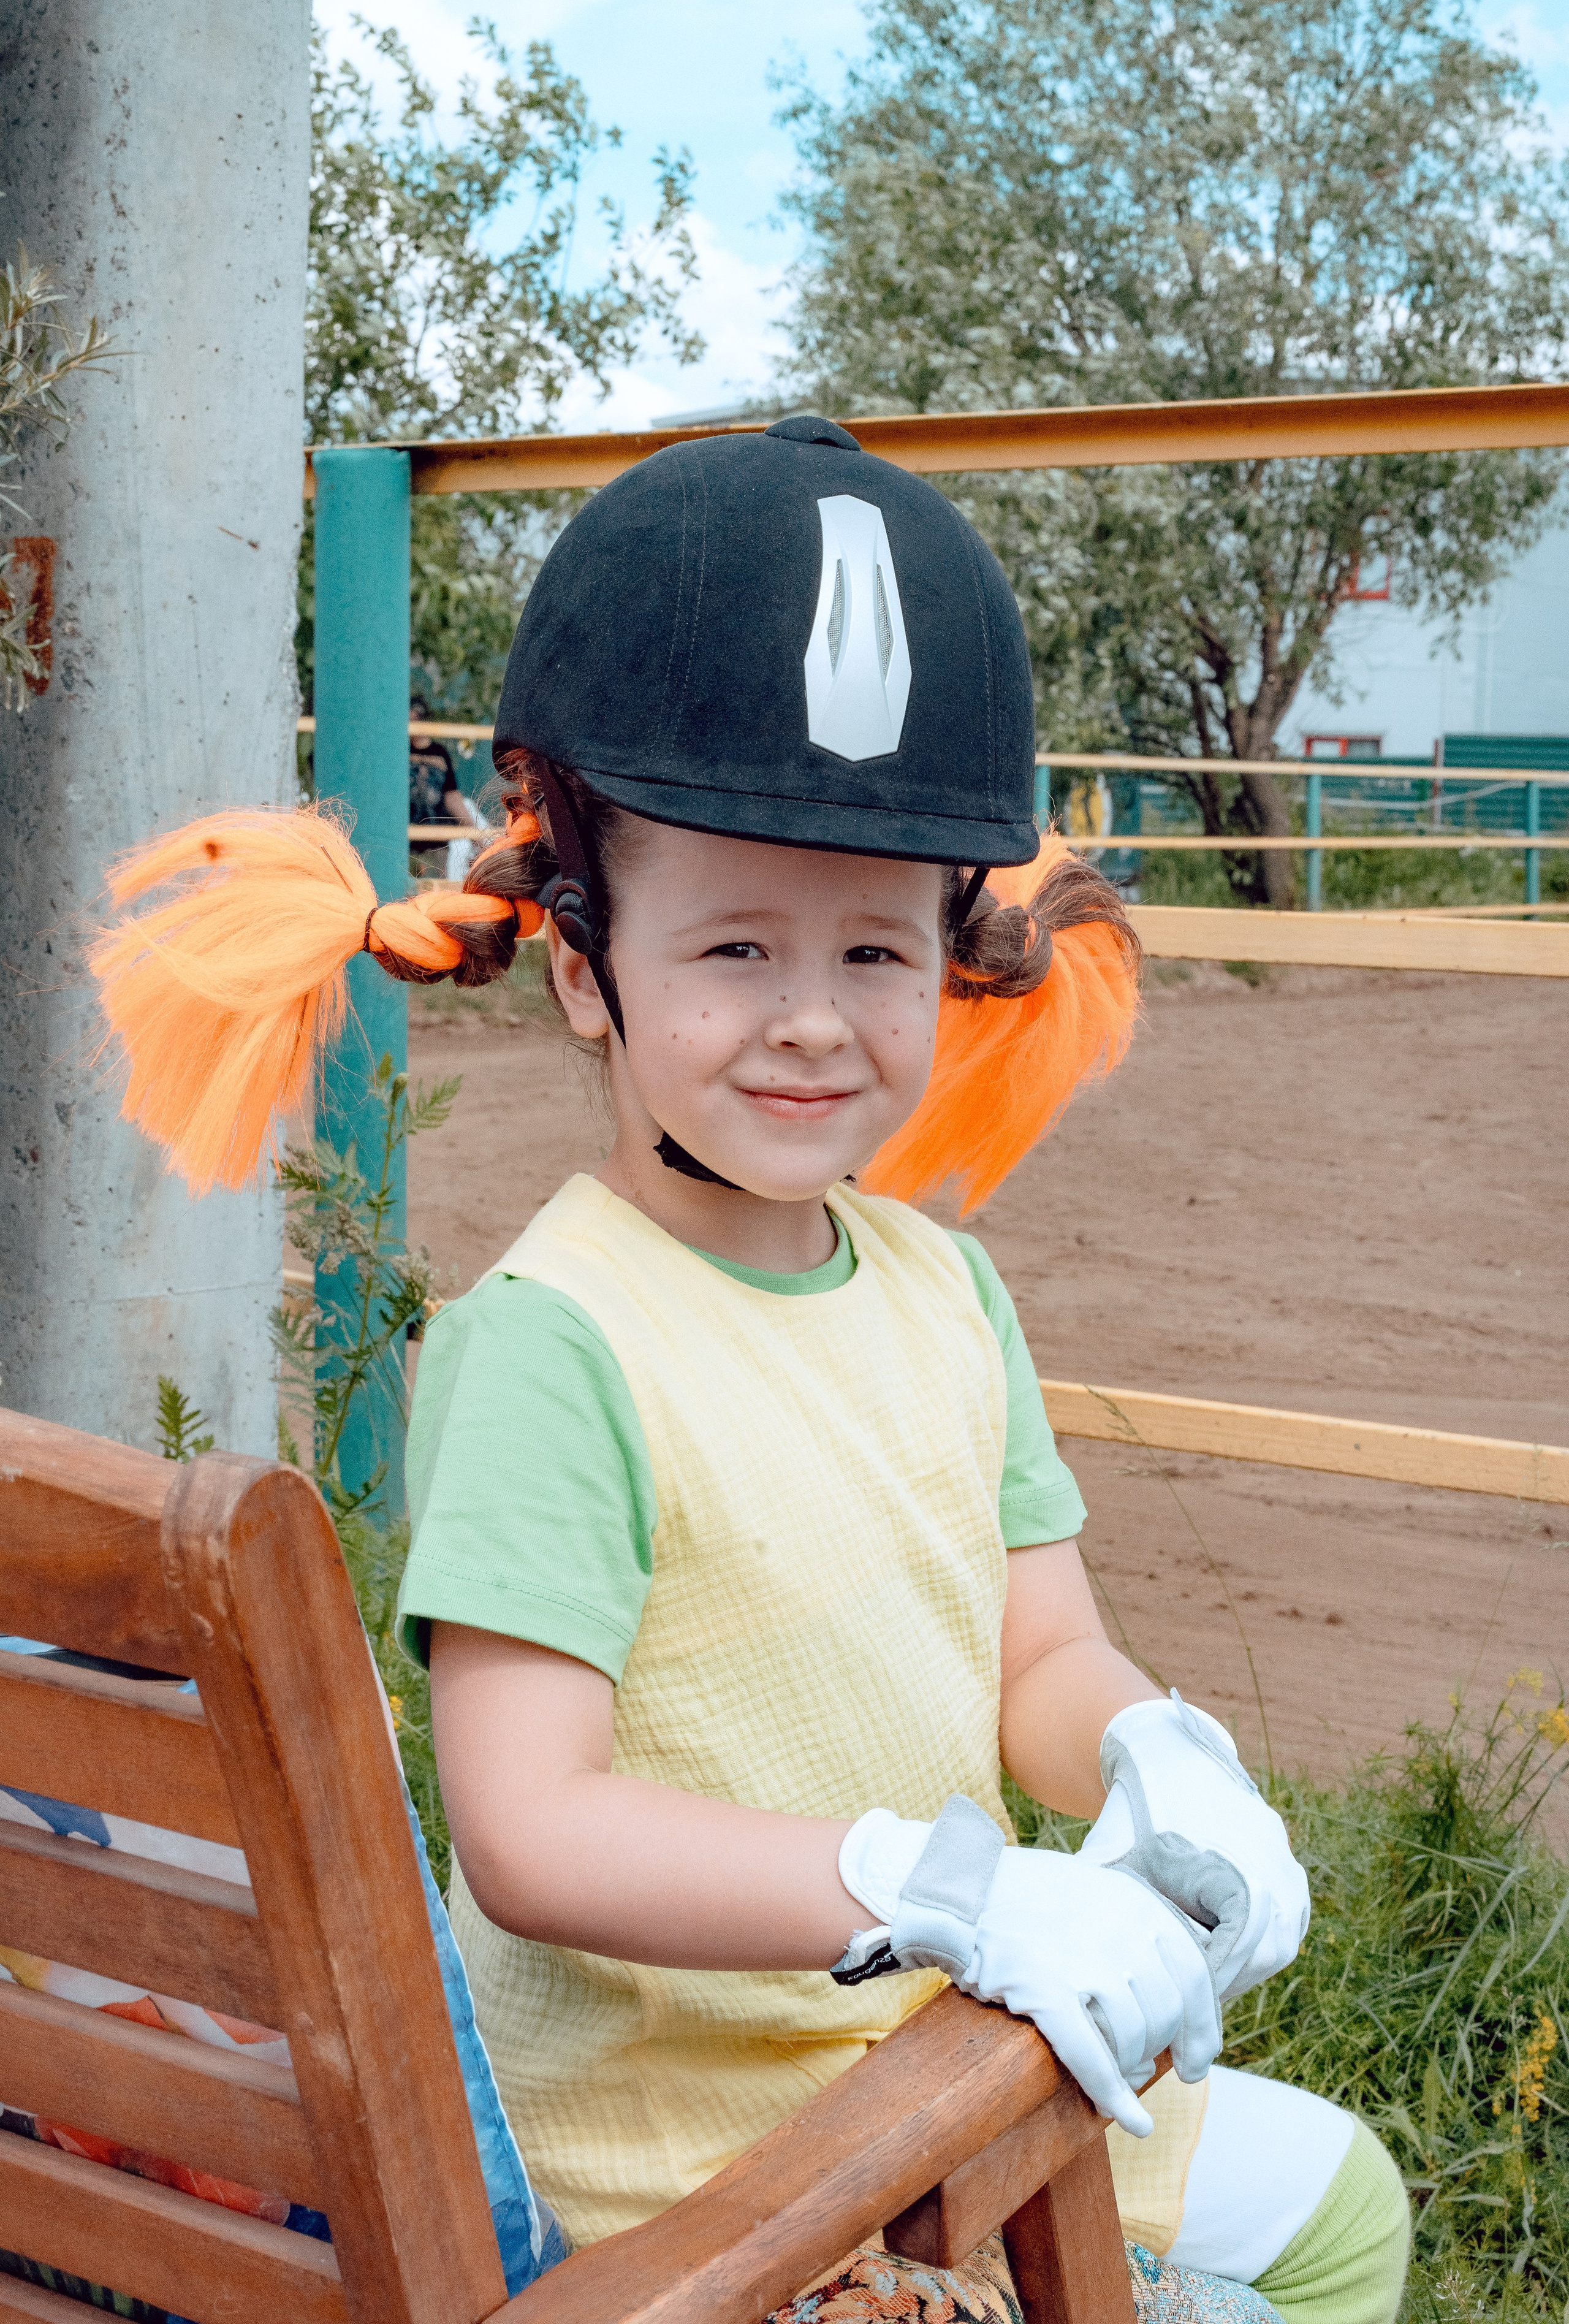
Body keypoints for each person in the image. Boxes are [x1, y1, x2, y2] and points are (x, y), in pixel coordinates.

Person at [91, 417, 1410, 2324]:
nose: (810, 1020)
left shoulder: (946, 1290)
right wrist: (940, 1887)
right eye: (731, 945)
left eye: (874, 951)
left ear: (948, 964)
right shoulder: (555, 1342)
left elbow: (1041, 1652)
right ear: (584, 965)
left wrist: (1150, 1749)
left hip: (908, 2053)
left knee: (1349, 2207)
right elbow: (533, 1831)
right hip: (693, 2164)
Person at [409, 694, 473, 880]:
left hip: (436, 842)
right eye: (411, 719)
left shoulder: (440, 753)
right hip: (404, 841)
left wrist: (474, 833)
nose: (415, 723)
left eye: (418, 719)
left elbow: (451, 796)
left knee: (436, 891)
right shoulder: (398, 750)